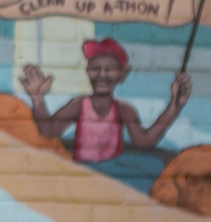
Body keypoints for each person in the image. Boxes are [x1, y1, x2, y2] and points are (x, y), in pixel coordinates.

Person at [21, 38, 191, 165]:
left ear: (122, 74)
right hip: (84, 172)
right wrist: (37, 98)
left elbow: (144, 141)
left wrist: (174, 107)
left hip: (112, 173)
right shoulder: (79, 105)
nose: (101, 75)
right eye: (95, 69)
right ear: (88, 72)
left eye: (109, 69)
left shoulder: (124, 110)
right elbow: (49, 130)